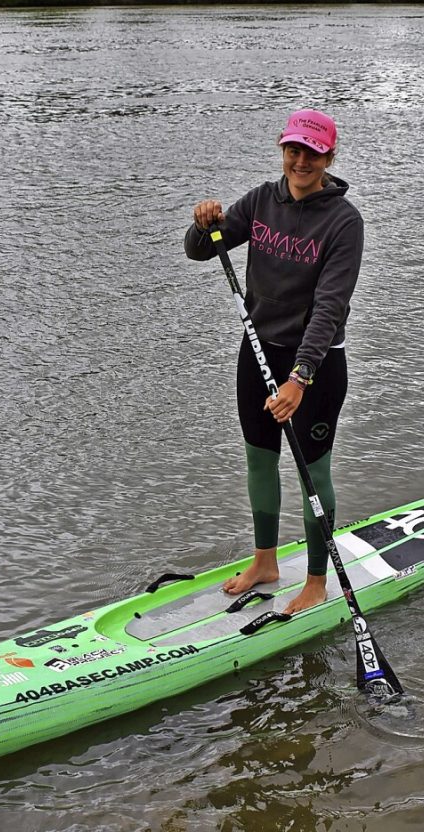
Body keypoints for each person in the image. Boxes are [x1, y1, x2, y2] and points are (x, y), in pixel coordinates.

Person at [184, 109, 364, 614]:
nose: (301, 160)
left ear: (329, 156)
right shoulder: (263, 200)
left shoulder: (344, 222)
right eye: (293, 149)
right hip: (258, 351)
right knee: (259, 459)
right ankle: (265, 561)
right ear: (283, 151)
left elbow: (331, 306)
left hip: (318, 363)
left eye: (312, 151)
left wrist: (300, 378)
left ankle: (315, 580)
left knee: (314, 472)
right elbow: (202, 251)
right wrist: (203, 225)